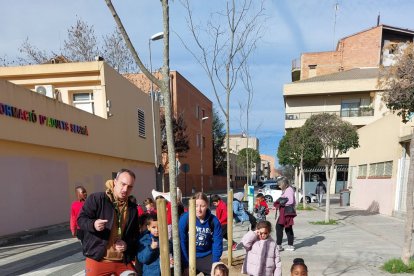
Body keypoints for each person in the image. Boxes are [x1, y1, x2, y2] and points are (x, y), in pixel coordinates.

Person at [77, 169, 139, 275]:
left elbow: (134, 235)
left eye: (130, 187)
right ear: (115, 182)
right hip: (98, 259)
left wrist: (126, 244)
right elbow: (81, 219)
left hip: (122, 260)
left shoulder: (132, 208)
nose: (125, 189)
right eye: (123, 184)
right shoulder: (97, 199)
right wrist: (93, 224)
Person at [179, 192, 223, 276]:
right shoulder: (185, 219)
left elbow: (217, 243)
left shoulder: (213, 221)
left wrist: (215, 263)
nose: (199, 209)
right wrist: (186, 265)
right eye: (196, 206)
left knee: (219, 273)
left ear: (207, 205)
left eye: (202, 206)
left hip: (206, 255)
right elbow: (182, 242)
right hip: (188, 256)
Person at [274, 176, 296, 251]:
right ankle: (289, 245)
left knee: (280, 227)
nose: (279, 186)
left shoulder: (289, 190)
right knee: (287, 228)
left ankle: (280, 245)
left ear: (284, 184)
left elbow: (290, 201)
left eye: (280, 184)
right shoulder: (287, 189)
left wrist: (280, 203)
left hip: (286, 212)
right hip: (285, 212)